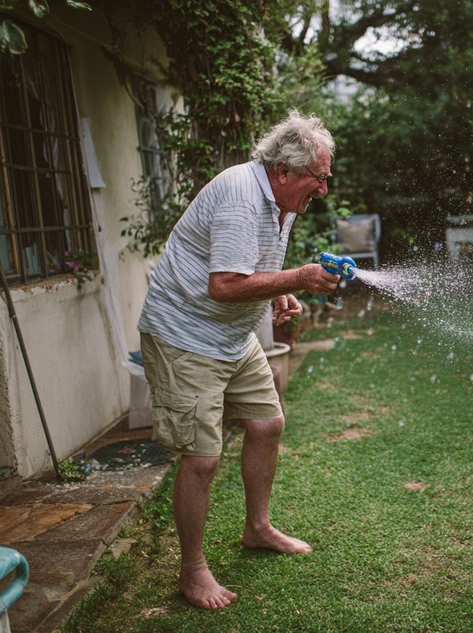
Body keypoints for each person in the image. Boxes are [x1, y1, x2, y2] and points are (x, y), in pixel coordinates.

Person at [137, 111, 341, 609]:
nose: (324, 190)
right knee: (203, 457)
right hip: (185, 335)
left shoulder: (282, 201)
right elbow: (224, 284)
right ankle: (193, 570)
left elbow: (252, 267)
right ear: (285, 171)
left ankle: (257, 528)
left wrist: (274, 296)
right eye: (319, 178)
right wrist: (297, 280)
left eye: (327, 177)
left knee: (268, 425)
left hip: (232, 334)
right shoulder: (240, 197)